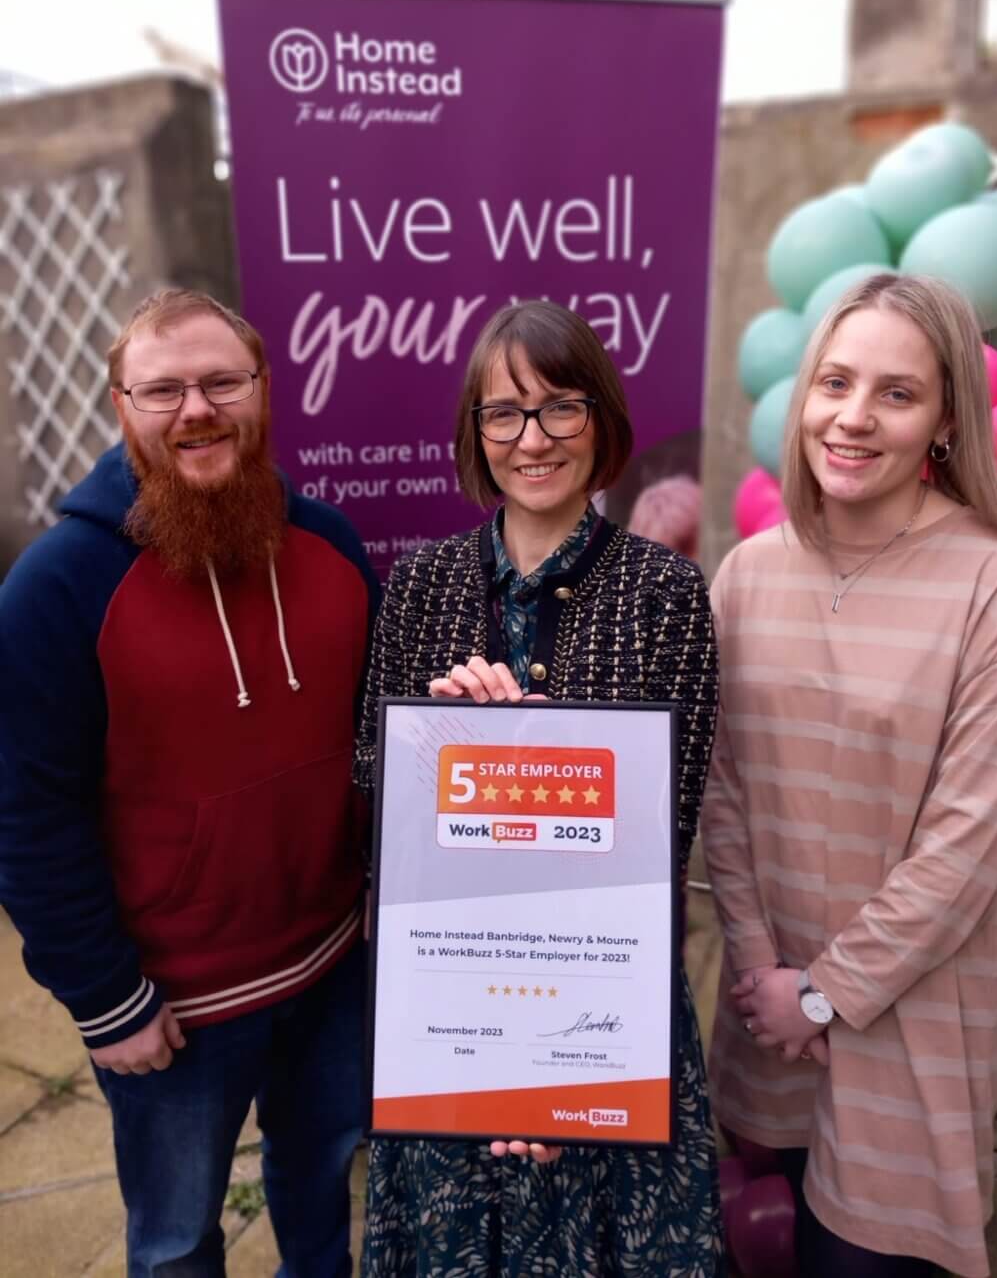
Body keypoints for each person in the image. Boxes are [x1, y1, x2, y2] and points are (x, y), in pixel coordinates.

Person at [0, 290, 380, 1277]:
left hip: (334, 966)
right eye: (162, 389)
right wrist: (103, 998)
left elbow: (379, 748)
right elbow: (25, 815)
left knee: (322, 1197)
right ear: (122, 406)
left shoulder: (333, 546)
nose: (195, 409)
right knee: (174, 1240)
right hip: (169, 1005)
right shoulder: (56, 589)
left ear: (263, 391)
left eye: (221, 381)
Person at [354, 300, 724, 1276]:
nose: (533, 438)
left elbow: (662, 840)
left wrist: (565, 1081)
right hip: (453, 1022)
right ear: (475, 432)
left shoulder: (663, 591)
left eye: (560, 407)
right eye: (504, 412)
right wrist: (449, 738)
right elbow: (375, 799)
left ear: (600, 420)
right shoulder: (420, 587)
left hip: (605, 1020)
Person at [702, 273, 997, 1278]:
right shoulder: (745, 574)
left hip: (908, 1029)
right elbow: (724, 795)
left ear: (947, 418)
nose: (853, 418)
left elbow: (967, 845)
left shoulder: (984, 583)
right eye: (834, 382)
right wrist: (761, 979)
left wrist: (824, 995)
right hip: (765, 1018)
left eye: (896, 393)